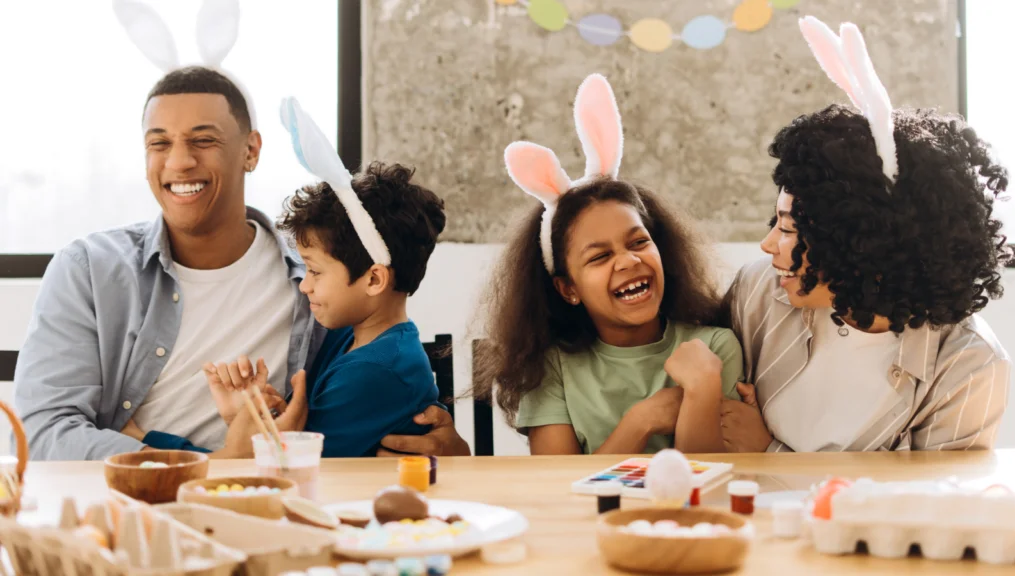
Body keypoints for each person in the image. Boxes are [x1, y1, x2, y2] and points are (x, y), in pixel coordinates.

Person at [14, 67, 470, 460]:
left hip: (268, 505)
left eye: (203, 140)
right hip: (130, 507)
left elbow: (378, 390)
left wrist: (452, 452)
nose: (179, 161)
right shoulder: (87, 270)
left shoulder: (322, 274)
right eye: (160, 143)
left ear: (250, 150)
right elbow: (41, 435)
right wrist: (211, 465)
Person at [719, 17, 1012, 453]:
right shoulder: (758, 292)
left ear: (862, 244)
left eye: (787, 228)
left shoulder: (968, 365)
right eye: (775, 222)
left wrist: (770, 453)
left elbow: (926, 509)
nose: (768, 245)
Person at [142, 97, 449, 458]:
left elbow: (290, 465)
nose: (304, 286)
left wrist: (151, 443)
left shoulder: (374, 371)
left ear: (374, 280)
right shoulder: (350, 337)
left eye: (315, 271)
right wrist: (244, 417)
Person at [474, 74, 743, 456]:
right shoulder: (552, 367)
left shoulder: (715, 347)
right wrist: (642, 420)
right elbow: (559, 489)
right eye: (599, 257)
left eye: (638, 242)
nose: (629, 260)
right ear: (568, 288)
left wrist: (702, 390)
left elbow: (711, 479)